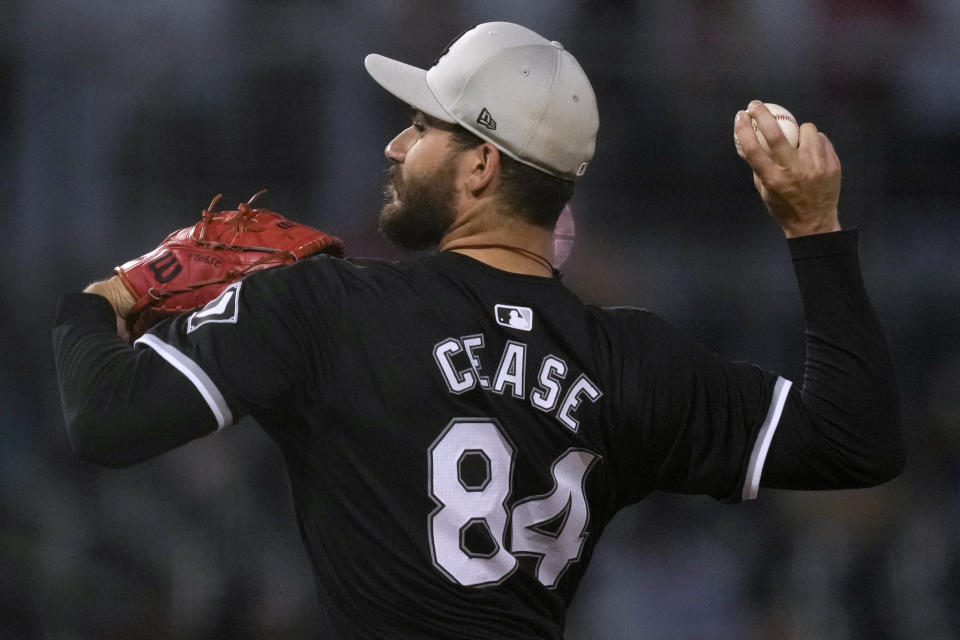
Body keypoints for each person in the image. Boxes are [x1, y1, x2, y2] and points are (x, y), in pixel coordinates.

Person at [54, 21, 903, 639]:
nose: (394, 143)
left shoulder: (322, 308)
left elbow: (106, 419)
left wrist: (103, 300)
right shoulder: (634, 360)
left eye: (422, 126)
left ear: (482, 164)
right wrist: (813, 229)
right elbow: (855, 441)